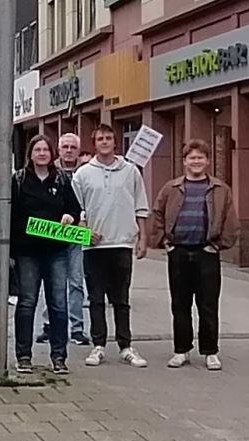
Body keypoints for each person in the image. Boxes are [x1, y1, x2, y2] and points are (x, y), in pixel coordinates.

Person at [150, 139, 240, 371]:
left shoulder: (221, 189)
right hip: (178, 252)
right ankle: (181, 350)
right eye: (192, 157)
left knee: (208, 304)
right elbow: (157, 213)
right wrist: (164, 242)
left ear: (208, 161)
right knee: (180, 304)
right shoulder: (172, 188)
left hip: (206, 253)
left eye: (200, 157)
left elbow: (231, 221)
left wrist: (219, 245)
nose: (196, 161)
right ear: (185, 161)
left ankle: (210, 351)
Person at [72, 124, 151, 369]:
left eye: (108, 138)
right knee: (96, 298)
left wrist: (143, 237)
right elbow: (75, 210)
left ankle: (126, 345)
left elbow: (140, 205)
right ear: (94, 143)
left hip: (122, 242)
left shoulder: (130, 171)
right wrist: (83, 233)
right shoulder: (83, 174)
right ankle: (98, 345)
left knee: (121, 299)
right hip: (94, 246)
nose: (105, 142)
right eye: (100, 139)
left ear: (115, 142)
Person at [11, 135, 82, 375]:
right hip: (27, 252)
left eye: (45, 149)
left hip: (56, 251)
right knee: (27, 302)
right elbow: (11, 216)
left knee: (58, 304)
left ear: (52, 153)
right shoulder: (19, 180)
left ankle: (59, 356)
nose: (42, 153)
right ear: (30, 153)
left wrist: (70, 217)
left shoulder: (61, 179)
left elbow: (74, 208)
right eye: (37, 149)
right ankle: (23, 355)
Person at [38, 133, 89, 345]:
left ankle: (77, 328)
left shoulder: (86, 172)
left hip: (77, 234)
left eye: (72, 147)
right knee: (51, 281)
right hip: (53, 234)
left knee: (76, 282)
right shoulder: (51, 172)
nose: (68, 150)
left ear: (78, 150)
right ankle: (49, 325)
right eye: (65, 147)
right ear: (58, 150)